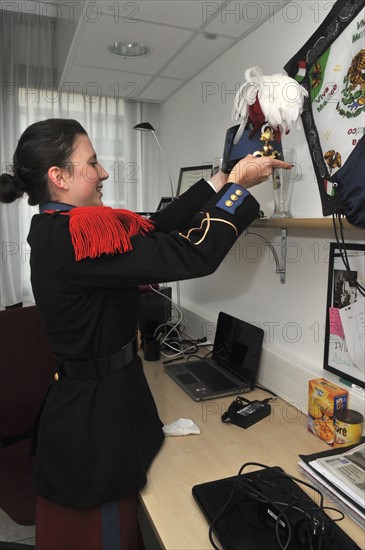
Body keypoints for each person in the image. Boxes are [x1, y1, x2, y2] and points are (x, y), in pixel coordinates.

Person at [0, 119, 292, 550]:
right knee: (106, 534)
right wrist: (239, 190)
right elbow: (190, 253)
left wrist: (219, 179)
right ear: (57, 177)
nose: (103, 173)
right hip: (94, 423)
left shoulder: (65, 226)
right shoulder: (71, 239)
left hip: (103, 400)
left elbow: (150, 228)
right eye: (93, 163)